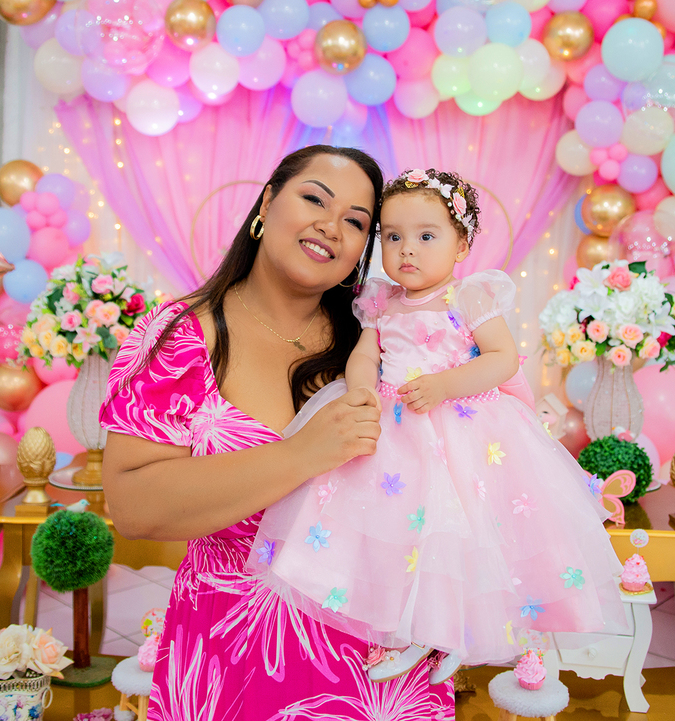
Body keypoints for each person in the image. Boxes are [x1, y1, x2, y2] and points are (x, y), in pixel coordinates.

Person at [99, 146, 456, 719]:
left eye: (357, 222)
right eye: (314, 198)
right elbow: (133, 506)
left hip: (380, 669)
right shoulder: (181, 335)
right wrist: (302, 455)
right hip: (235, 659)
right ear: (267, 202)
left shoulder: (389, 342)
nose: (330, 226)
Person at [250, 168, 628, 684]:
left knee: (459, 533)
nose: (407, 250)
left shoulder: (467, 297)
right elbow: (365, 356)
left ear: (461, 245)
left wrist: (447, 385)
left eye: (426, 237)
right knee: (397, 535)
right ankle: (407, 629)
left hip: (461, 428)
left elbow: (501, 358)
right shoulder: (381, 302)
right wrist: (361, 391)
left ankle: (452, 634)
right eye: (393, 236)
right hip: (395, 429)